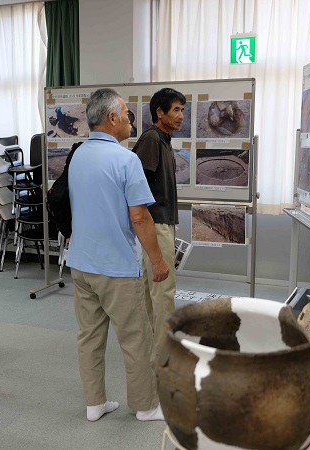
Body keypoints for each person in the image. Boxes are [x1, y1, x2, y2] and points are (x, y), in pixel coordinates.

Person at [66, 88, 170, 422]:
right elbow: (139, 217)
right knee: (137, 338)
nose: (129, 119)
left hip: (81, 264)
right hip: (117, 268)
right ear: (112, 118)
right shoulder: (126, 160)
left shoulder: (78, 154)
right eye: (126, 113)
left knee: (89, 337)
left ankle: (94, 404)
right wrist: (158, 259)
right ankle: (146, 406)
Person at [133, 88, 186, 352]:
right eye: (176, 110)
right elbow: (135, 186)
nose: (181, 116)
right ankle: (165, 353)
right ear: (159, 112)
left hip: (161, 223)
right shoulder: (152, 139)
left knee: (153, 290)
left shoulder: (163, 140)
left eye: (182, 110)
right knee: (163, 290)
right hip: (156, 224)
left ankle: (154, 347)